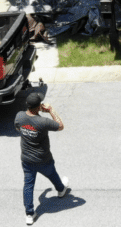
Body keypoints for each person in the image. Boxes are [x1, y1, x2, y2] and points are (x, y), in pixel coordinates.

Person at [15, 92, 70, 224]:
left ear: (27, 105)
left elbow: (18, 129)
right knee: (52, 173)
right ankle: (61, 190)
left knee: (28, 185)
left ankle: (29, 214)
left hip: (27, 159)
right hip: (43, 159)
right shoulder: (42, 122)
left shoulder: (19, 116)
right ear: (39, 106)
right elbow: (61, 126)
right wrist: (51, 110)